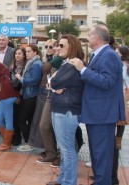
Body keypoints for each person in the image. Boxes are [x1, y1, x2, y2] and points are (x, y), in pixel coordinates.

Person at [68, 24, 124, 185]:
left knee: (102, 152)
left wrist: (83, 70)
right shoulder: (99, 54)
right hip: (97, 112)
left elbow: (106, 81)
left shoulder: (109, 55)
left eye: (89, 34)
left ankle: (103, 181)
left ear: (97, 37)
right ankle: (100, 179)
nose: (87, 37)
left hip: (103, 113)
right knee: (97, 152)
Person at [46, 34, 85, 185]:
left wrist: (53, 82)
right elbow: (51, 82)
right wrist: (52, 83)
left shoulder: (73, 64)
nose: (57, 48)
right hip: (61, 109)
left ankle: (68, 181)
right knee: (64, 148)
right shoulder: (66, 63)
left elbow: (54, 82)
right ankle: (63, 179)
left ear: (72, 47)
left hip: (67, 111)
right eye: (58, 45)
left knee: (67, 149)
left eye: (61, 45)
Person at [28, 39, 56, 149]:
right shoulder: (47, 60)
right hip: (41, 90)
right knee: (39, 120)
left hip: (49, 92)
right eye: (46, 47)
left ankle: (50, 149)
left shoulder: (56, 60)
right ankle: (45, 147)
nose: (48, 49)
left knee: (46, 122)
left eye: (51, 46)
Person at [15, 44, 42, 152]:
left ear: (35, 52)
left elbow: (35, 80)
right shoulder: (32, 62)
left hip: (30, 95)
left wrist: (21, 78)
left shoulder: (35, 64)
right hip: (28, 94)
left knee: (22, 119)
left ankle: (28, 142)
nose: (27, 53)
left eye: (29, 51)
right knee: (29, 120)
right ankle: (30, 142)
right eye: (26, 51)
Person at [0, 34, 15, 135]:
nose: (1, 42)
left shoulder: (12, 51)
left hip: (7, 83)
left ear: (7, 41)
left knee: (7, 109)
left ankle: (8, 130)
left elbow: (13, 66)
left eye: (3, 40)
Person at [113, 46, 128, 185]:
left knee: (115, 142)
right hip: (121, 103)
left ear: (122, 55)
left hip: (120, 102)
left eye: (117, 52)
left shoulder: (122, 66)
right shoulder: (123, 65)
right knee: (116, 140)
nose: (115, 54)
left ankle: (113, 177)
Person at [10, 47, 27, 147]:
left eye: (19, 54)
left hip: (21, 95)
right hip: (12, 94)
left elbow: (23, 83)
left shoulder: (25, 67)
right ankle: (16, 137)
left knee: (20, 118)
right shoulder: (12, 67)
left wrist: (18, 95)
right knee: (14, 117)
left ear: (24, 55)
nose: (17, 55)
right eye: (16, 54)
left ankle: (25, 139)